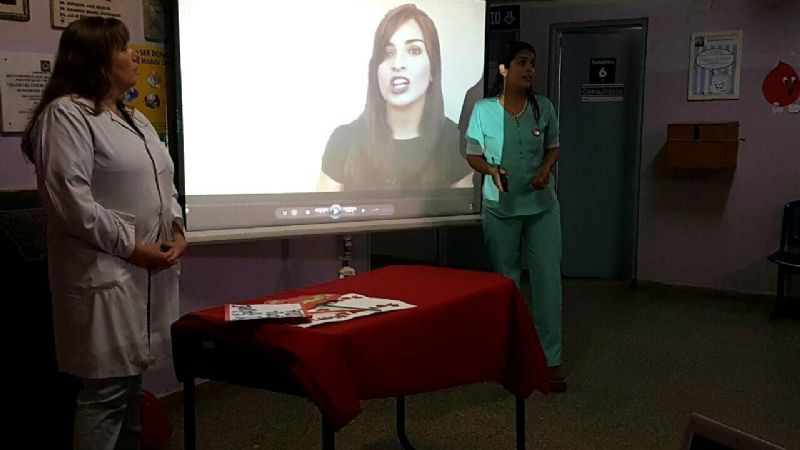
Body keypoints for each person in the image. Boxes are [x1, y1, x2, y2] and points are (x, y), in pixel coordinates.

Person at [20, 17, 186, 449]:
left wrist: (177, 226)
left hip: (144, 274)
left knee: (129, 389)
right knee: (105, 395)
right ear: (95, 60)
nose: (134, 56)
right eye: (122, 48)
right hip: (105, 274)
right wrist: (133, 247)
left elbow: (163, 181)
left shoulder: (133, 118)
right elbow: (72, 204)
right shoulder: (65, 116)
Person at [464, 41, 566, 392]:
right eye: (522, 62)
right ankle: (512, 356)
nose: (530, 69)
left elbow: (553, 147)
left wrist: (545, 167)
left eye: (533, 63)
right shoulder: (483, 110)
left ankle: (550, 360)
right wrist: (491, 170)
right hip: (501, 208)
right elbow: (472, 154)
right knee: (507, 284)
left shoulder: (544, 109)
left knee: (547, 282)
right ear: (504, 69)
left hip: (541, 208)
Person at [318, 3, 471, 191]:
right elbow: (322, 216)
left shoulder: (455, 141)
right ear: (376, 69)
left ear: (433, 70)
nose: (398, 64)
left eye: (414, 51)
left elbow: (467, 216)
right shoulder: (344, 140)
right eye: (387, 53)